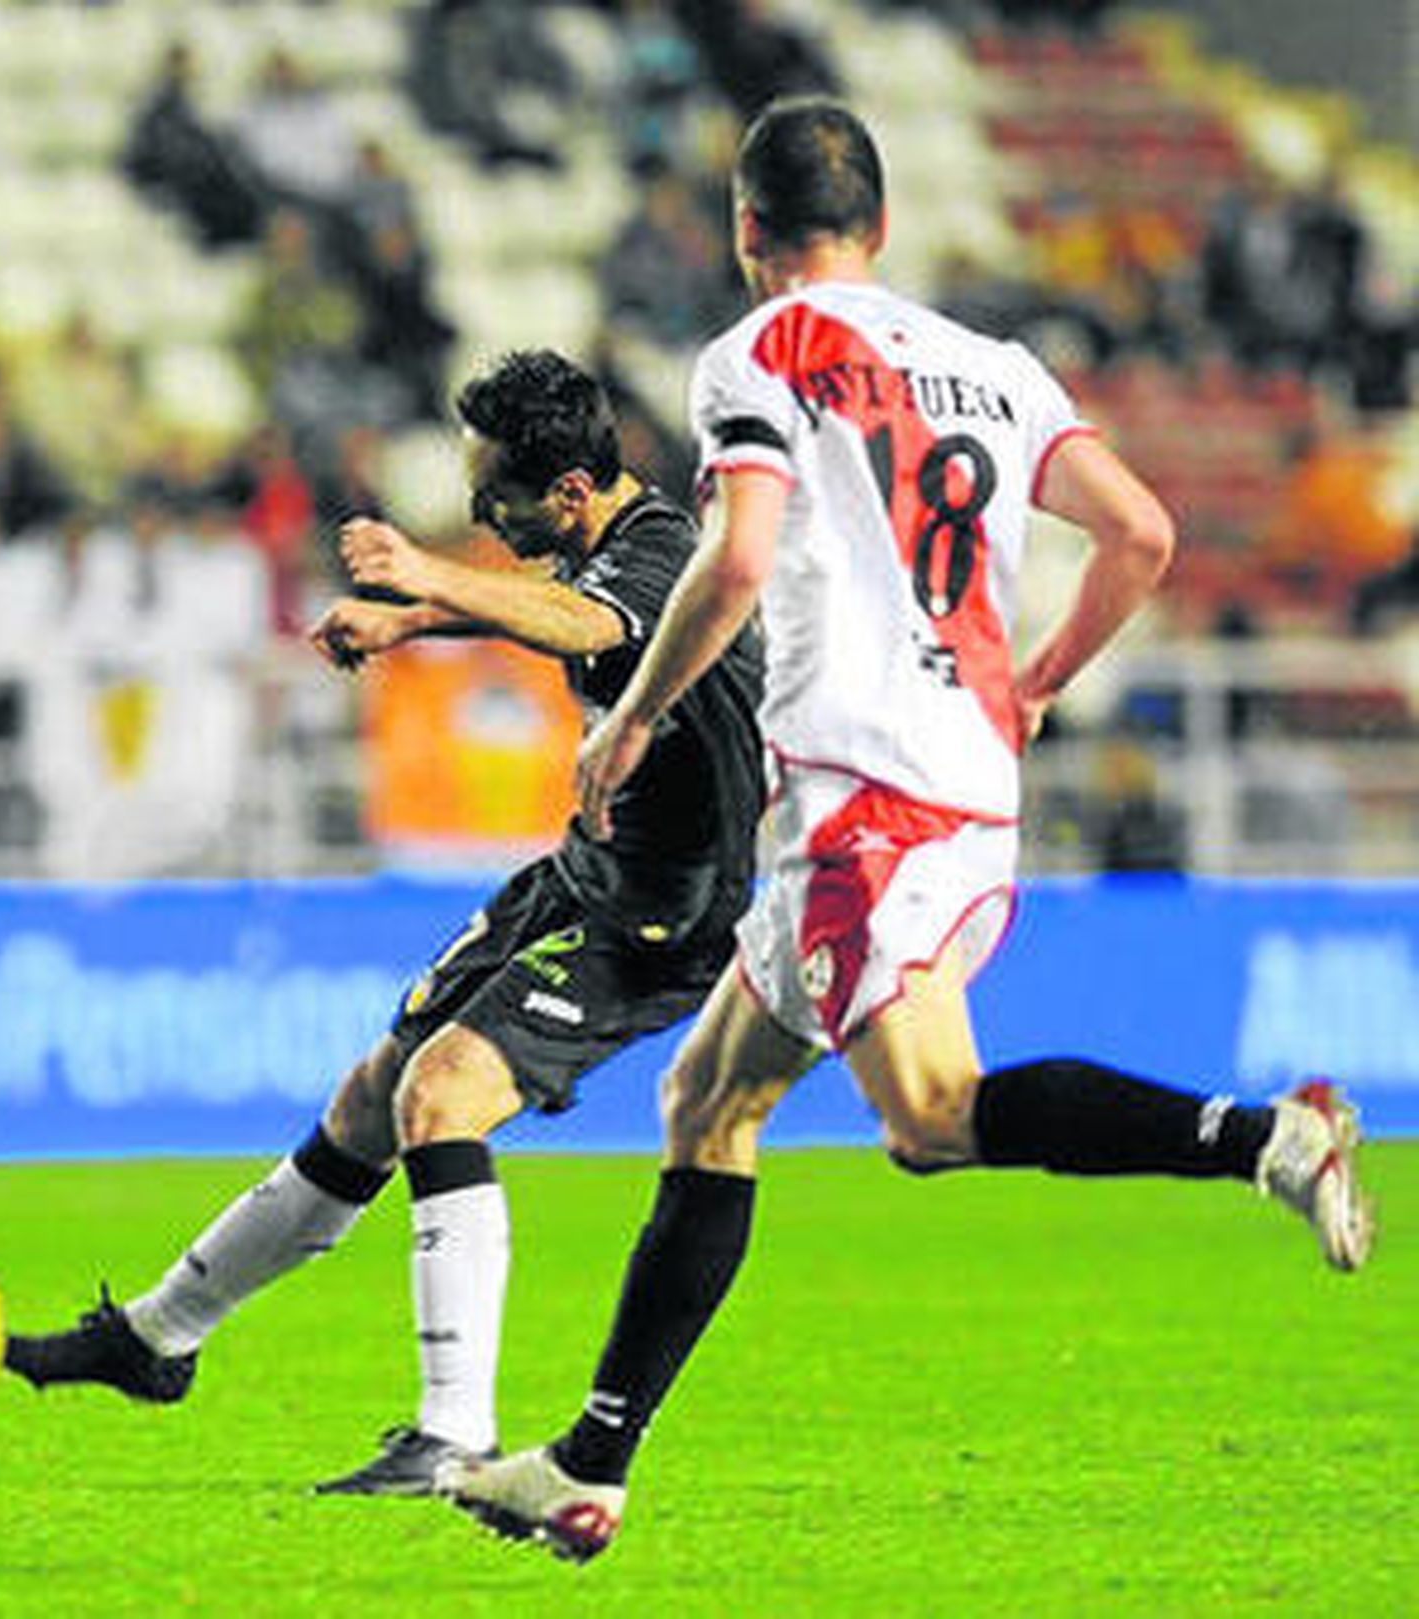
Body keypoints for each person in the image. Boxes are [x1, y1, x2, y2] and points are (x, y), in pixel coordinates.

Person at [444, 97, 1375, 1563]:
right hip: (959, 783)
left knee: (932, 1118)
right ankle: (590, 1461)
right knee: (711, 1101)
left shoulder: (757, 354)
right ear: (879, 225)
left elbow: (741, 556)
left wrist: (627, 719)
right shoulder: (996, 370)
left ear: (750, 231)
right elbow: (1141, 534)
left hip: (859, 793)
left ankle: (1268, 1136)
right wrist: (1043, 681)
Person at [2, 350, 766, 1499]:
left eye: (492, 492)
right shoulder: (600, 549)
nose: (476, 514)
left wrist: (426, 577)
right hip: (578, 874)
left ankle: (452, 1430)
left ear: (566, 491)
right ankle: (158, 1337)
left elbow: (580, 623)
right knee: (374, 1093)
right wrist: (415, 621)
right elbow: (557, 614)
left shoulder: (658, 553)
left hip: (663, 913)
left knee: (440, 1096)